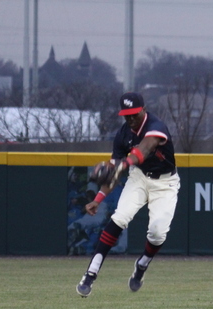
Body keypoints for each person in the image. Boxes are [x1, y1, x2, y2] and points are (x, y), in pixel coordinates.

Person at [76, 91, 180, 297]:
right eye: (127, 115)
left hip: (166, 183)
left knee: (158, 233)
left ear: (143, 110)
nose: (131, 118)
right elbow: (113, 176)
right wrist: (98, 199)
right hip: (139, 178)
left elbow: (145, 148)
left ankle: (142, 265)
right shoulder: (122, 136)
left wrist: (122, 164)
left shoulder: (156, 126)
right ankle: (90, 274)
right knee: (119, 218)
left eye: (135, 114)